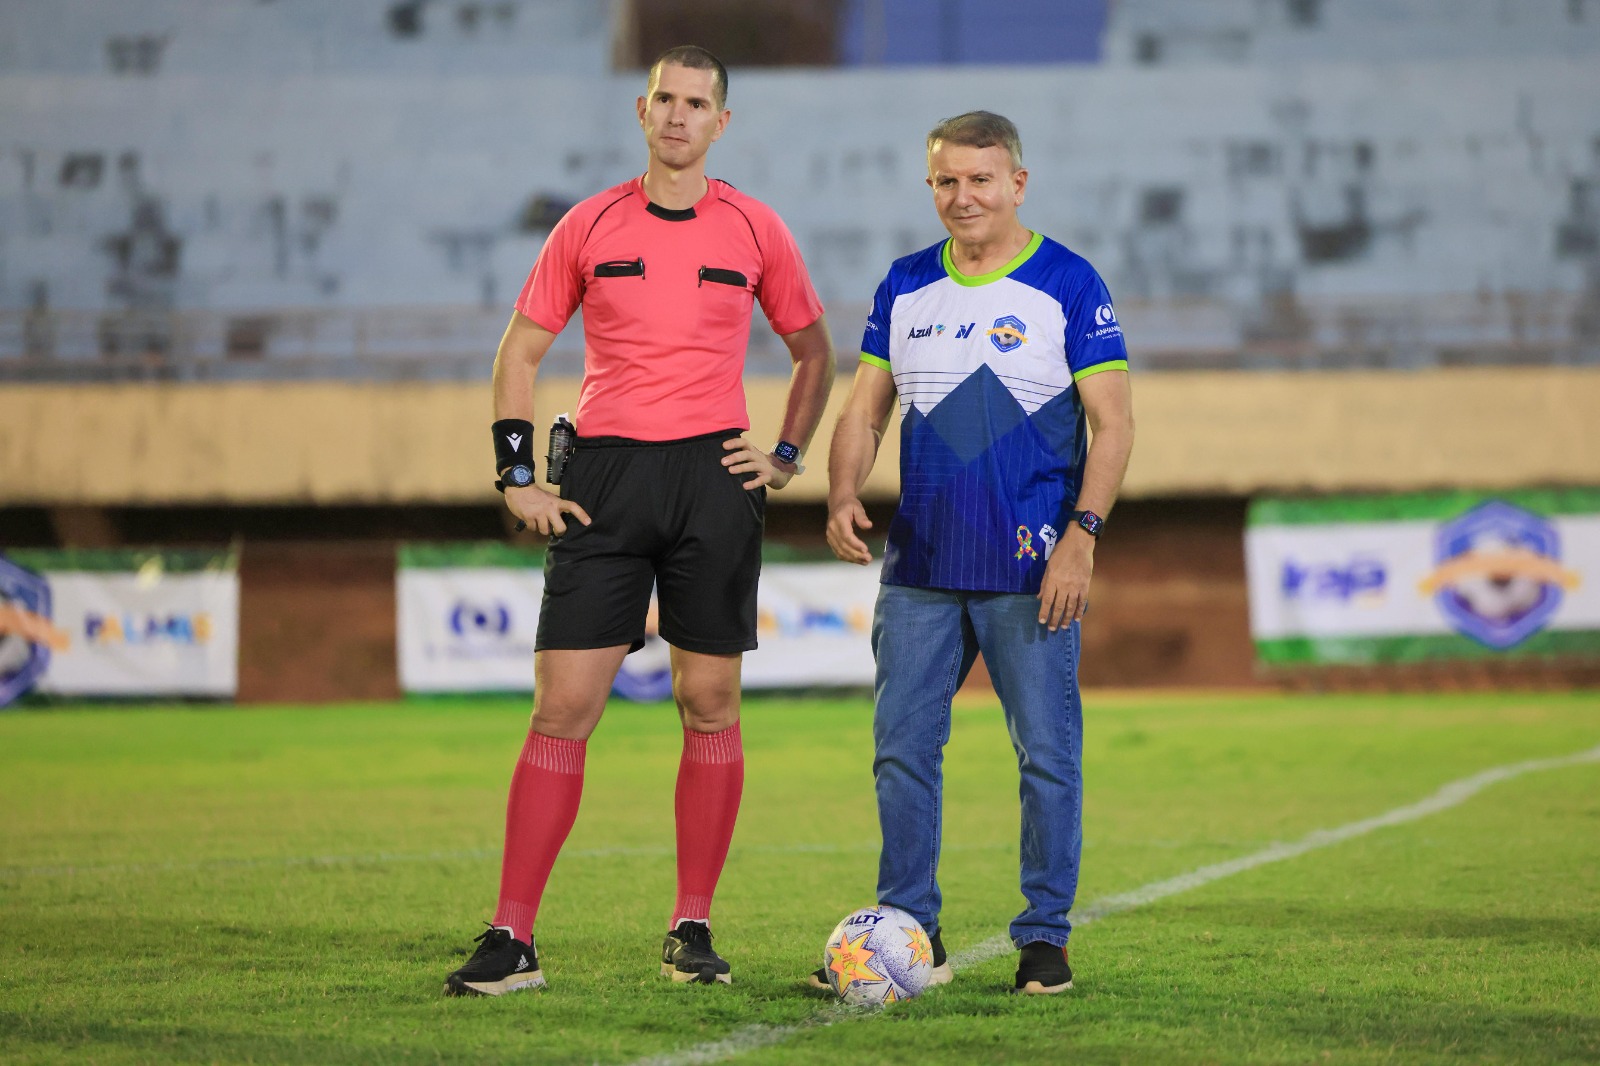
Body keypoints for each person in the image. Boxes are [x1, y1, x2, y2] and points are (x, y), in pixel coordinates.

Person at [445, 45, 835, 996]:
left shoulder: (754, 226)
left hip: (715, 478)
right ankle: (512, 939)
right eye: (665, 98)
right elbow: (518, 352)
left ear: (720, 123)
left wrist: (784, 456)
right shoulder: (589, 222)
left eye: (697, 103)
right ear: (642, 107)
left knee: (709, 704)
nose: (678, 115)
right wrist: (515, 478)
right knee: (562, 708)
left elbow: (815, 350)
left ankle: (690, 929)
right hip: (605, 480)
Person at [818, 111, 1134, 995]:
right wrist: (844, 491)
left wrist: (1083, 536)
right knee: (902, 751)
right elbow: (864, 410)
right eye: (947, 182)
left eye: (981, 180)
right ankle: (909, 933)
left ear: (1017, 184)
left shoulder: (1069, 283)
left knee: (1046, 755)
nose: (963, 197)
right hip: (918, 567)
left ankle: (1044, 938)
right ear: (932, 186)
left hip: (1030, 570)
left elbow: (1114, 424)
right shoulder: (906, 283)